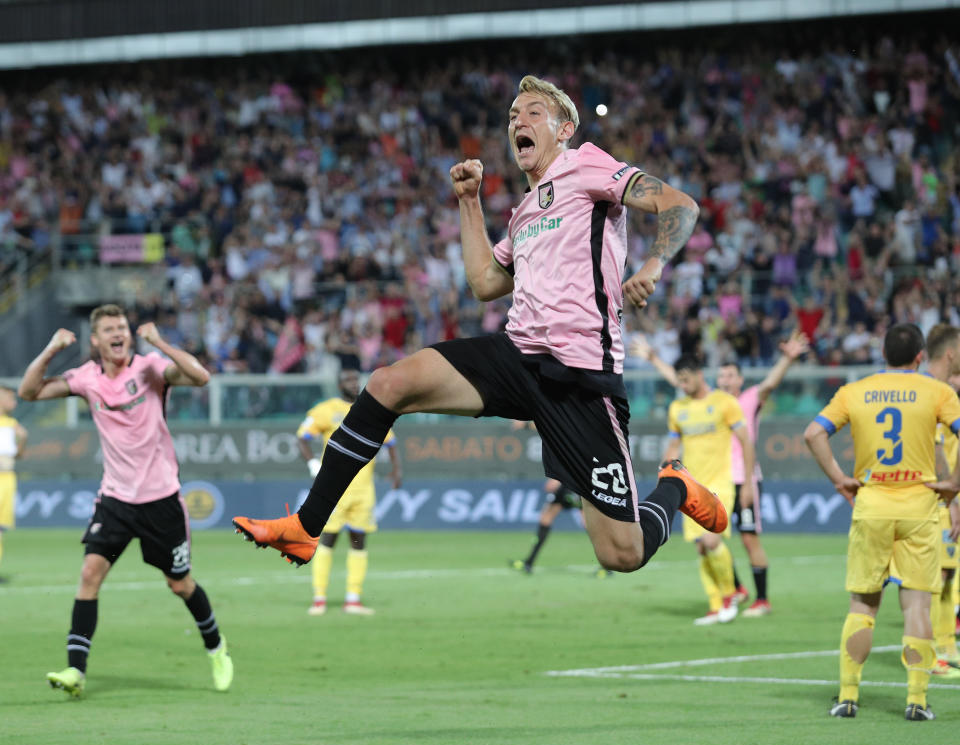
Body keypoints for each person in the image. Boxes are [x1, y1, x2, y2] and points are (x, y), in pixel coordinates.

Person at [234, 75, 726, 580]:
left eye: (533, 112)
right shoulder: (523, 212)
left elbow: (680, 205)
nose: (519, 121)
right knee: (388, 384)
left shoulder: (587, 165)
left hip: (580, 375)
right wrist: (468, 201)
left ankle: (675, 488)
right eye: (513, 115)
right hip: (517, 356)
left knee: (620, 555)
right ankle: (307, 526)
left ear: (564, 130)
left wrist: (653, 266)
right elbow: (485, 282)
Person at [18, 305, 234, 698]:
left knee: (180, 584)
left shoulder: (149, 367)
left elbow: (201, 377)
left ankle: (217, 648)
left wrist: (158, 341)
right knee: (89, 575)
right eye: (109, 329)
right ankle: (75, 670)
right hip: (115, 498)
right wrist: (51, 348)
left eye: (123, 327)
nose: (119, 333)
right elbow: (28, 391)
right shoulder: (86, 377)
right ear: (95, 340)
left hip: (161, 499)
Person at [804, 323, 960, 721]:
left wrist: (839, 478)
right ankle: (917, 701)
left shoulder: (855, 391)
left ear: (883, 354)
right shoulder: (937, 391)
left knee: (863, 604)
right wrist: (954, 485)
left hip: (872, 505)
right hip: (920, 508)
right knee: (917, 607)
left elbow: (813, 434)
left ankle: (848, 696)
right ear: (920, 357)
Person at [636, 331, 809, 615]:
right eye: (722, 376)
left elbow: (770, 384)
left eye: (731, 376)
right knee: (709, 542)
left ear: (740, 380)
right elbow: (681, 381)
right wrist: (654, 359)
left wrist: (788, 359)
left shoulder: (748, 399)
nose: (725, 380)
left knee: (746, 538)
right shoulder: (702, 403)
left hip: (743, 478)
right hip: (715, 477)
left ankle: (760, 597)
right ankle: (735, 591)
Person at [662, 355, 758, 625]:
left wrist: (748, 483)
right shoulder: (677, 408)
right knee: (701, 549)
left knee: (711, 541)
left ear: (698, 374)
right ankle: (715, 606)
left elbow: (746, 442)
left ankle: (731, 596)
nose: (681, 384)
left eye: (685, 378)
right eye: (678, 380)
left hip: (719, 485)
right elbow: (673, 445)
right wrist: (665, 473)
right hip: (690, 486)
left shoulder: (724, 403)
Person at [887, 324, 960, 677]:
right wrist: (952, 494)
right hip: (931, 497)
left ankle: (945, 648)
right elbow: (933, 448)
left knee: (947, 574)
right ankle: (927, 655)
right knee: (935, 576)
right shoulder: (931, 392)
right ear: (950, 354)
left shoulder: (940, 389)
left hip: (929, 495)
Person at [297, 368, 401, 616]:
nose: (353, 384)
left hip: (363, 490)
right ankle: (319, 597)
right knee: (328, 540)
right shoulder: (326, 409)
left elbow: (391, 441)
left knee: (359, 542)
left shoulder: (370, 408)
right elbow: (302, 437)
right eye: (348, 380)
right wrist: (313, 463)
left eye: (356, 379)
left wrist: (397, 470)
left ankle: (353, 599)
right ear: (338, 384)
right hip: (335, 490)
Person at [508, 420, 611, 577]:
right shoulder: (570, 428)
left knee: (587, 523)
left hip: (573, 482)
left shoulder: (571, 429)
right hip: (570, 482)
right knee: (547, 518)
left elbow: (552, 428)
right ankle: (529, 563)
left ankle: (608, 564)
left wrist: (557, 478)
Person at [0, 386, 28, 580]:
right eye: (10, 398)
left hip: (7, 478)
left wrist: (21, 444)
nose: (15, 402)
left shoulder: (11, 424)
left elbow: (21, 445)